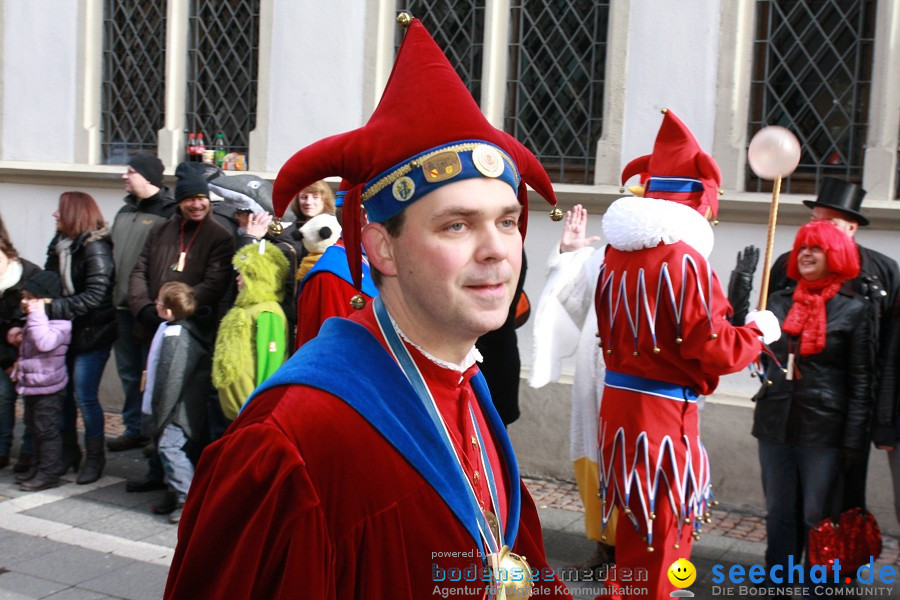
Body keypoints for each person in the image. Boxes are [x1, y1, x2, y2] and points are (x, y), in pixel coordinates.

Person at [166, 16, 572, 599]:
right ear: (382, 245)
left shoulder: (464, 382)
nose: (497, 252)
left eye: (507, 222)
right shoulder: (292, 440)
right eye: (457, 225)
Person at [590, 110, 778, 599]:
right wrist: (757, 333)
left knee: (637, 524)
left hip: (622, 409)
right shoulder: (684, 258)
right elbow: (712, 346)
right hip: (663, 416)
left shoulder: (617, 254)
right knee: (664, 529)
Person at [750, 220, 874, 591]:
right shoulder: (779, 301)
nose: (805, 253)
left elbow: (862, 379)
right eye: (803, 247)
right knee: (779, 514)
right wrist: (742, 296)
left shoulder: (853, 310)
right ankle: (778, 584)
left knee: (815, 515)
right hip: (775, 421)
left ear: (834, 255)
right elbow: (752, 350)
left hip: (824, 427)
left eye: (815, 248)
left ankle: (818, 587)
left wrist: (854, 439)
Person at [765, 177, 899, 517]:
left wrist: (880, 416)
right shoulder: (789, 263)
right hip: (794, 404)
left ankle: (833, 568)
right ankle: (786, 568)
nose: (818, 230)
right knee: (787, 506)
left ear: (851, 227)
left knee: (838, 502)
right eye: (815, 221)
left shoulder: (883, 270)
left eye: (830, 223)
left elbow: (888, 350)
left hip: (853, 403)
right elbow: (770, 331)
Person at [126, 161, 235, 491]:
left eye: (202, 198)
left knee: (180, 407)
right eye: (190, 199)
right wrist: (144, 308)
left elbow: (214, 283)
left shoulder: (219, 236)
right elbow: (138, 272)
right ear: (180, 201)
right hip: (154, 325)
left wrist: (177, 309)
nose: (196, 204)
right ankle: (156, 471)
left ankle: (183, 480)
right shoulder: (160, 230)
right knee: (153, 399)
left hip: (189, 331)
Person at [529, 204, 615, 568]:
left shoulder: (678, 262)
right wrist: (571, 254)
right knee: (592, 455)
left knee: (628, 466)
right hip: (592, 374)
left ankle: (637, 556)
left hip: (637, 382)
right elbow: (573, 301)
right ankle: (605, 545)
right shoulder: (603, 258)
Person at [42, 192, 117, 484]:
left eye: (60, 210)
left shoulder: (95, 247)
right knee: (64, 396)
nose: (54, 215)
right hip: (64, 331)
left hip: (91, 333)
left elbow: (96, 296)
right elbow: (49, 280)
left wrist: (51, 308)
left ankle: (95, 458)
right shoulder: (60, 244)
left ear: (74, 213)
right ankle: (68, 453)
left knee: (85, 397)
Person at [108, 153, 175, 453]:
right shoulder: (124, 211)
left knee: (153, 373)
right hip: (120, 306)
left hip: (149, 310)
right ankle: (133, 427)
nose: (125, 176)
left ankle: (151, 430)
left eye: (131, 171)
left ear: (148, 176)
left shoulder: (168, 213)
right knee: (128, 371)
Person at [141, 282, 209, 524]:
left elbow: (170, 380)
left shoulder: (176, 337)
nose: (155, 303)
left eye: (159, 300)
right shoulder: (175, 329)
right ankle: (173, 494)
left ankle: (187, 499)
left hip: (176, 409)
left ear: (168, 310)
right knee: (168, 449)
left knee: (170, 449)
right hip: (177, 406)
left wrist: (159, 414)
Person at [212, 240, 289, 421]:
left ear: (258, 277)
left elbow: (270, 362)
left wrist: (263, 403)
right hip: (236, 409)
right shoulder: (244, 309)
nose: (238, 279)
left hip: (252, 408)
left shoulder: (267, 312)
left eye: (244, 274)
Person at [9, 271, 71, 491]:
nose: (24, 302)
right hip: (33, 385)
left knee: (47, 431)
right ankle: (37, 468)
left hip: (49, 388)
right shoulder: (36, 320)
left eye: (29, 298)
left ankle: (49, 473)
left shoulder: (60, 323)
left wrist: (36, 315)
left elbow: (44, 343)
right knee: (34, 429)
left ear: (45, 300)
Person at [0, 216, 40, 470]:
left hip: (28, 351)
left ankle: (29, 451)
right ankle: (2, 449)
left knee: (33, 401)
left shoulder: (27, 272)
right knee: (3, 396)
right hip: (3, 353)